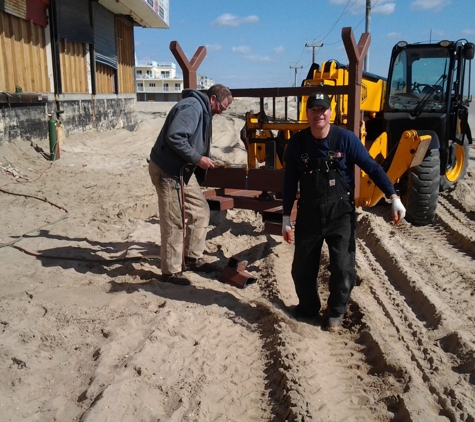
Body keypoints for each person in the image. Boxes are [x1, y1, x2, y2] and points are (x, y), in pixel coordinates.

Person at [281, 92, 406, 330]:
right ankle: (308, 308)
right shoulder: (298, 143)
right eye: (314, 110)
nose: (319, 114)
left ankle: (336, 313)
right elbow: (289, 183)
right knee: (302, 268)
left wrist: (393, 197)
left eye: (323, 109)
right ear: (307, 114)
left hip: (341, 213)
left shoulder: (346, 140)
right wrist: (287, 217)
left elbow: (372, 167)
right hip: (309, 213)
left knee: (343, 267)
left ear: (331, 112)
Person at [149, 84, 233, 285]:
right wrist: (198, 159)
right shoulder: (192, 108)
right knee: (173, 220)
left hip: (183, 170)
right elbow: (175, 137)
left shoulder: (202, 109)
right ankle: (170, 272)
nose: (221, 112)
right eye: (221, 107)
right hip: (168, 170)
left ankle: (193, 258)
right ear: (213, 99)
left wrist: (203, 158)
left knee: (201, 210)